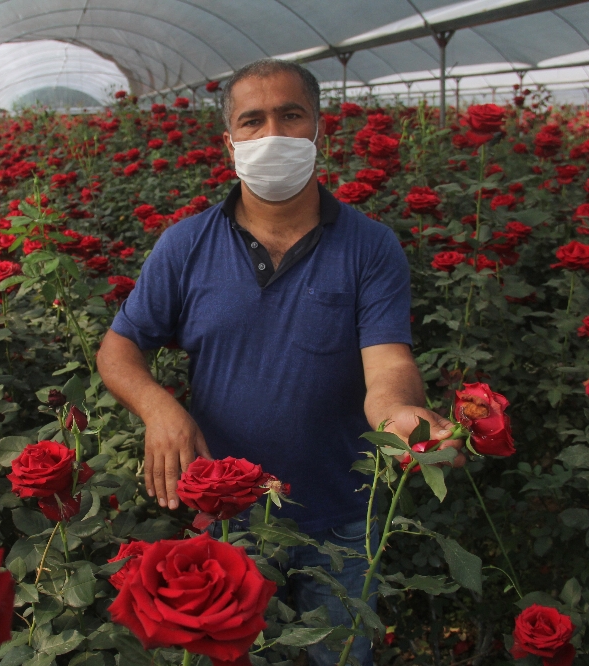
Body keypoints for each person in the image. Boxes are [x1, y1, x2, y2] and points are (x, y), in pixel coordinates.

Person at [95, 59, 464, 666]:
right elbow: (119, 347)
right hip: (228, 517)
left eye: (291, 116)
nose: (273, 135)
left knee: (339, 655)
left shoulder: (369, 246)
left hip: (341, 513)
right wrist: (159, 409)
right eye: (253, 120)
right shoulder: (187, 245)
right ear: (230, 142)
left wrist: (399, 413)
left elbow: (388, 362)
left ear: (321, 131)